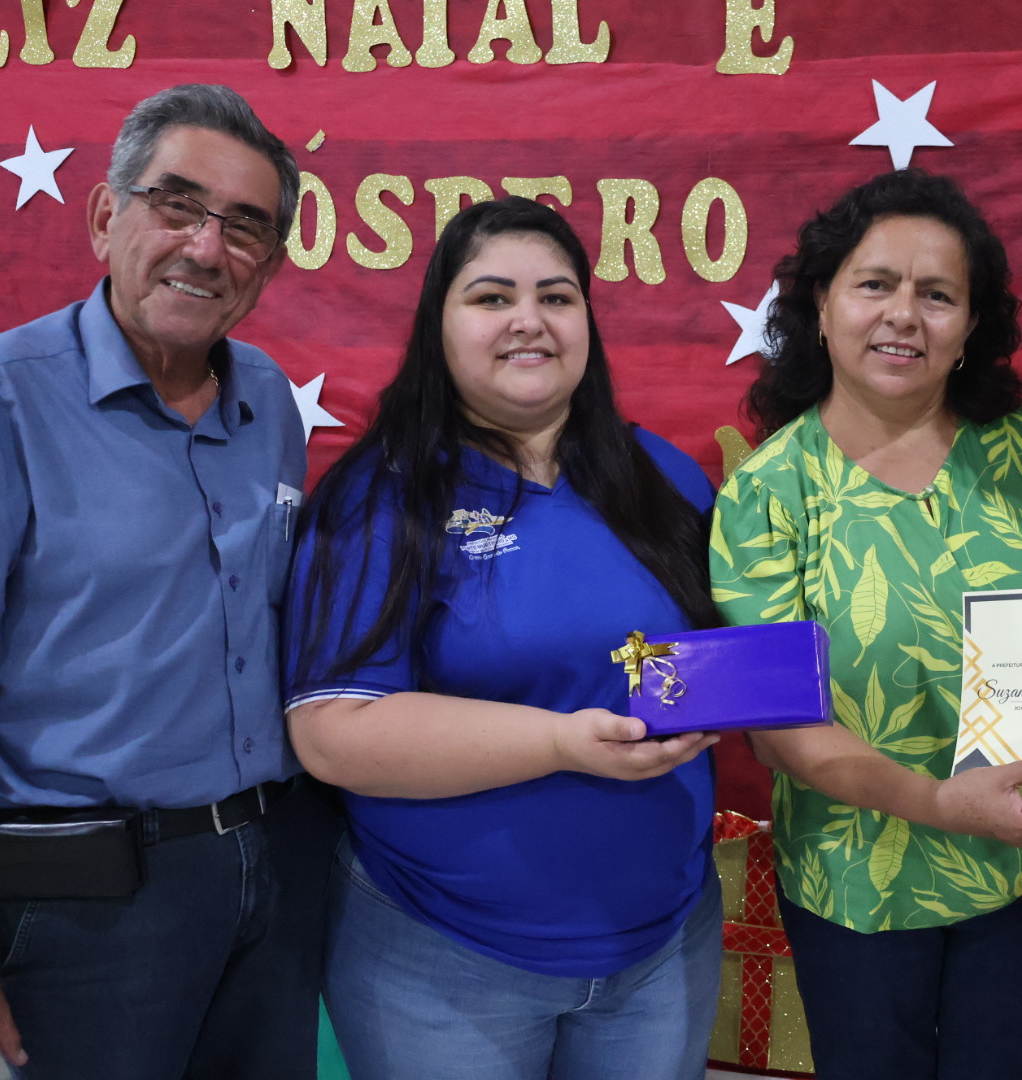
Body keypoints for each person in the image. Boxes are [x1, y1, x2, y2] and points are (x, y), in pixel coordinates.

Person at [0, 85, 342, 1080]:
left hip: (273, 874)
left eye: (246, 226)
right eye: (176, 205)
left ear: (270, 265)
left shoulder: (269, 410)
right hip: (87, 902)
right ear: (106, 215)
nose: (207, 247)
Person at [282, 196, 722, 1080]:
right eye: (491, 297)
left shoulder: (662, 475)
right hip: (444, 960)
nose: (529, 319)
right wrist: (562, 743)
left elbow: (700, 665)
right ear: (439, 327)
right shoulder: (385, 496)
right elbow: (332, 732)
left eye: (557, 297)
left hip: (664, 946)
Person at [709, 168, 1022, 1080]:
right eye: (875, 284)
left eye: (937, 294)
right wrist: (940, 806)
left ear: (972, 324)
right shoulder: (764, 493)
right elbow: (782, 726)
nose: (904, 316)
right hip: (856, 889)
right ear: (822, 301)